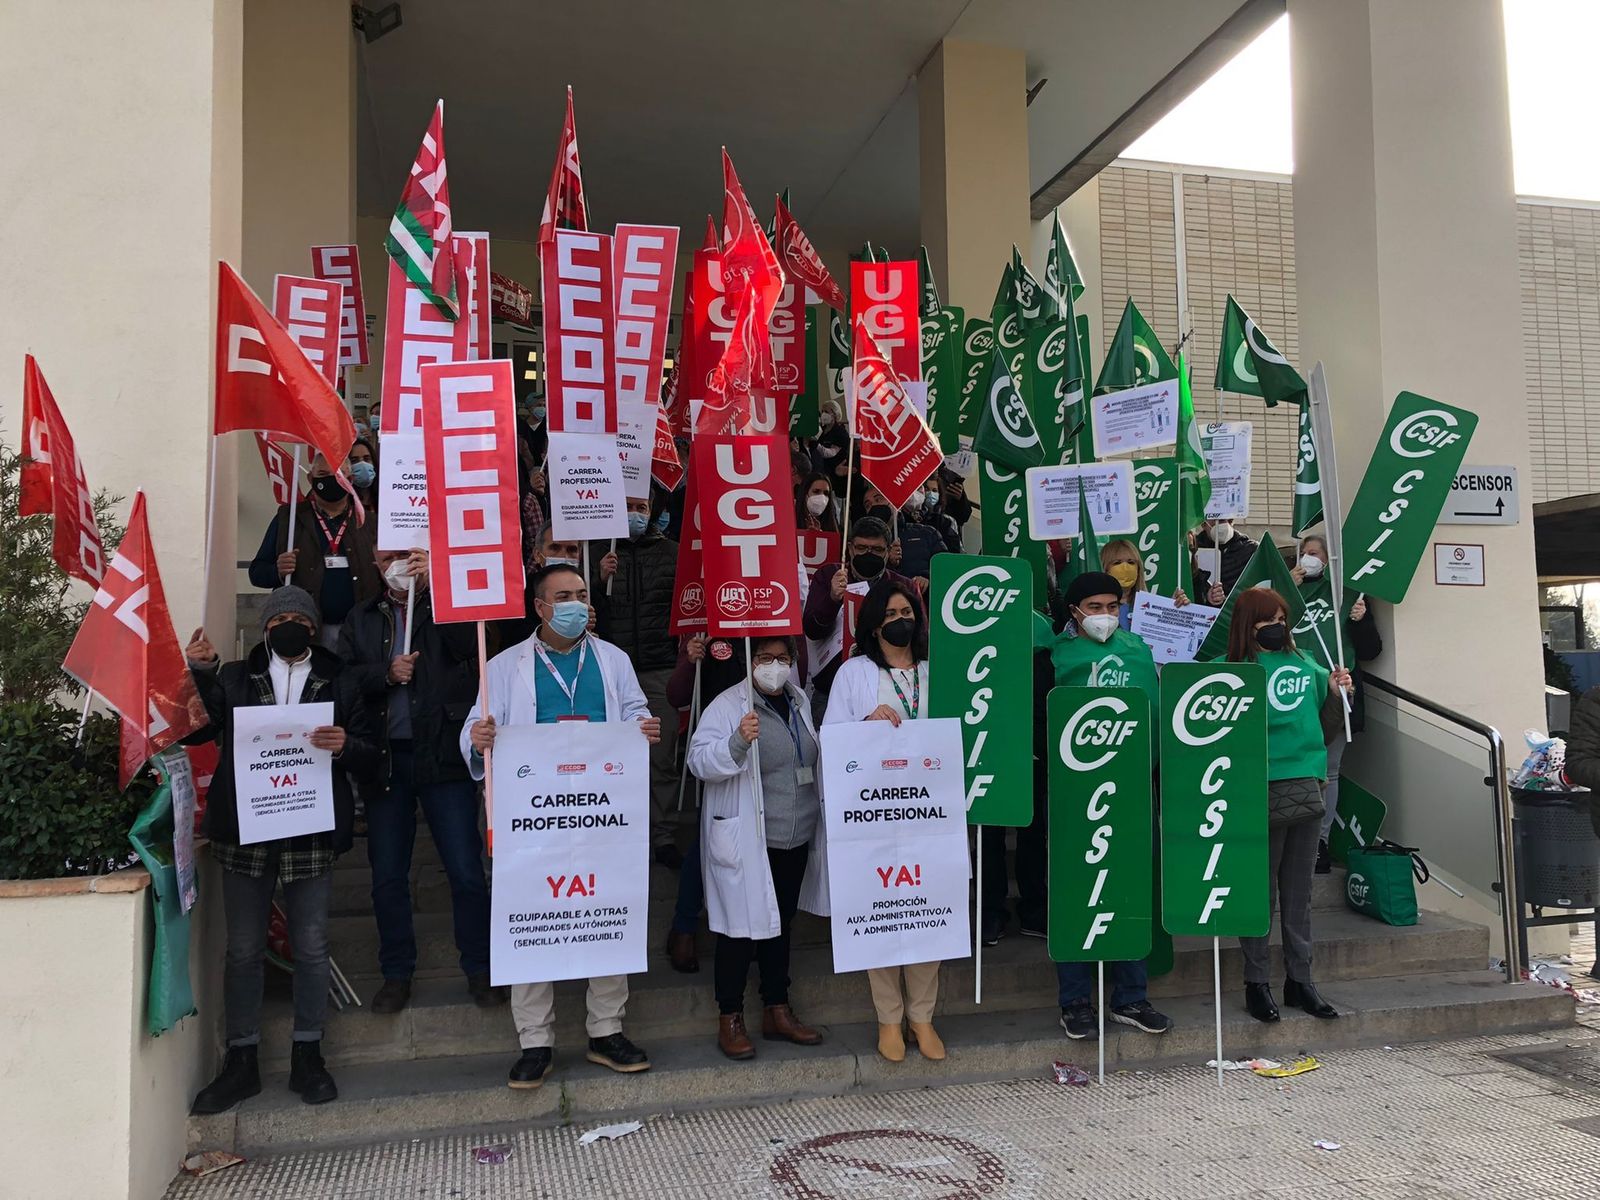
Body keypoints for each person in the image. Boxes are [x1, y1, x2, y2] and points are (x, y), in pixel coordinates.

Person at [463, 563, 662, 1088]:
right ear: (540, 607)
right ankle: (535, 1040)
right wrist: (478, 739)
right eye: (563, 596)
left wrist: (645, 726)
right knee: (530, 915)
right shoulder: (505, 666)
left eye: (580, 594)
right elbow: (473, 729)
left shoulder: (613, 660)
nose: (575, 604)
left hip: (602, 812)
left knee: (608, 906)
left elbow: (636, 710)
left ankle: (606, 1029)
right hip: (532, 817)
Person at [183, 587, 378, 1113]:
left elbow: (370, 751)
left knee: (312, 947)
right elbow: (198, 729)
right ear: (265, 627)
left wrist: (346, 746)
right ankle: (241, 1061)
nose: (289, 624)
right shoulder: (234, 678)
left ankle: (308, 1054)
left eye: (299, 617)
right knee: (243, 949)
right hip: (248, 831)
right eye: (280, 617)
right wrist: (199, 672)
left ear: (314, 627)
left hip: (310, 832)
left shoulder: (341, 678)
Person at [336, 548, 499, 1013]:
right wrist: (383, 673)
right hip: (386, 760)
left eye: (411, 555)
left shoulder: (452, 603)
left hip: (443, 753)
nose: (401, 563)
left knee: (466, 870)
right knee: (388, 874)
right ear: (374, 561)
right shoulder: (361, 617)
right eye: (390, 556)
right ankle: (396, 973)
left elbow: (472, 648)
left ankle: (480, 967)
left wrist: (443, 588)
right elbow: (344, 681)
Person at [1043, 571, 1171, 1039]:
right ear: (1075, 611)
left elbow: (1156, 712)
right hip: (1074, 791)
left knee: (1129, 887)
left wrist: (1151, 769)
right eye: (1094, 607)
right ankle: (1075, 1000)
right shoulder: (1056, 655)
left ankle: (1131, 997)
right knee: (1078, 889)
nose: (1104, 616)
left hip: (1132, 787)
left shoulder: (1138, 651)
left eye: (1111, 607)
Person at [823, 580, 946, 1064]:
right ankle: (889, 1018)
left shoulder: (939, 669)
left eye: (908, 610)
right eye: (892, 612)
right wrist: (864, 728)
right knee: (882, 916)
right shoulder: (854, 673)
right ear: (874, 625)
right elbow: (830, 739)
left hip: (930, 811)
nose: (902, 619)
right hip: (873, 812)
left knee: (931, 914)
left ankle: (923, 1015)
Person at [687, 636, 827, 1059]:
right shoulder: (730, 705)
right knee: (738, 929)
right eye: (765, 658)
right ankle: (729, 1016)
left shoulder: (799, 699)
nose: (774, 666)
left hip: (795, 832)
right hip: (751, 835)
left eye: (783, 658)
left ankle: (776, 1008)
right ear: (750, 662)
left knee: (780, 925)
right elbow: (697, 760)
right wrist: (736, 742)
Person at [1227, 588, 1353, 1024]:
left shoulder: (1306, 664)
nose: (1277, 626)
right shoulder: (1234, 672)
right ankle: (1256, 981)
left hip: (1307, 784)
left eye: (1282, 617)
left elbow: (1328, 726)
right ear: (1247, 626)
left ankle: (1301, 980)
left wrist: (1338, 693)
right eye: (1267, 620)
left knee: (1298, 894)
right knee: (1258, 894)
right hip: (1256, 789)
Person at [594, 486, 684, 868]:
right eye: (628, 506)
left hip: (657, 667)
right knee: (608, 758)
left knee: (660, 756)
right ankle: (616, 833)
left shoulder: (671, 553)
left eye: (641, 507)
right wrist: (599, 580)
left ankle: (662, 834)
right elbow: (583, 611)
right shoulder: (598, 550)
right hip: (607, 671)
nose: (635, 513)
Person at [1291, 533, 1383, 872]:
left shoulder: (1346, 596)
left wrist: (1360, 620)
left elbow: (1372, 650)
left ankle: (1320, 843)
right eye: (1303, 553)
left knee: (1329, 772)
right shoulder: (1287, 591)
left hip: (1337, 694)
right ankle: (1293, 839)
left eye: (1314, 553)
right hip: (1296, 694)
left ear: (1329, 559)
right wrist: (1288, 588)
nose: (1308, 558)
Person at [249, 452, 382, 648]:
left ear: (350, 480)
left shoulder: (370, 522)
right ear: (311, 478)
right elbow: (256, 573)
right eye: (322, 473)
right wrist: (277, 571)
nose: (331, 481)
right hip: (306, 633)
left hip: (362, 632)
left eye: (339, 475)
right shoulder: (289, 519)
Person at [802, 515, 921, 721]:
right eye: (862, 548)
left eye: (877, 550)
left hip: (892, 687)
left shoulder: (903, 586)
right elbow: (812, 630)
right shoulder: (830, 575)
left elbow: (920, 632)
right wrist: (831, 599)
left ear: (888, 551)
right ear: (850, 548)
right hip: (832, 689)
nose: (869, 554)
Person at [1100, 538, 1189, 628]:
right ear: (1105, 568)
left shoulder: (1149, 606)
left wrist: (1172, 609)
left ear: (1138, 569)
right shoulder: (1097, 609)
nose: (1125, 568)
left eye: (1131, 562)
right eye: (1117, 562)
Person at [1191, 519, 1258, 606]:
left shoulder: (1251, 550)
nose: (1221, 524)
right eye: (1215, 520)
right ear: (1203, 524)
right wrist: (1205, 594)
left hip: (1236, 614)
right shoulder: (1192, 548)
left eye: (1227, 520)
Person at [348, 437, 378, 512]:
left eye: (367, 459)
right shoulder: (343, 503)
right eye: (354, 460)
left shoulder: (385, 497)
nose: (362, 464)